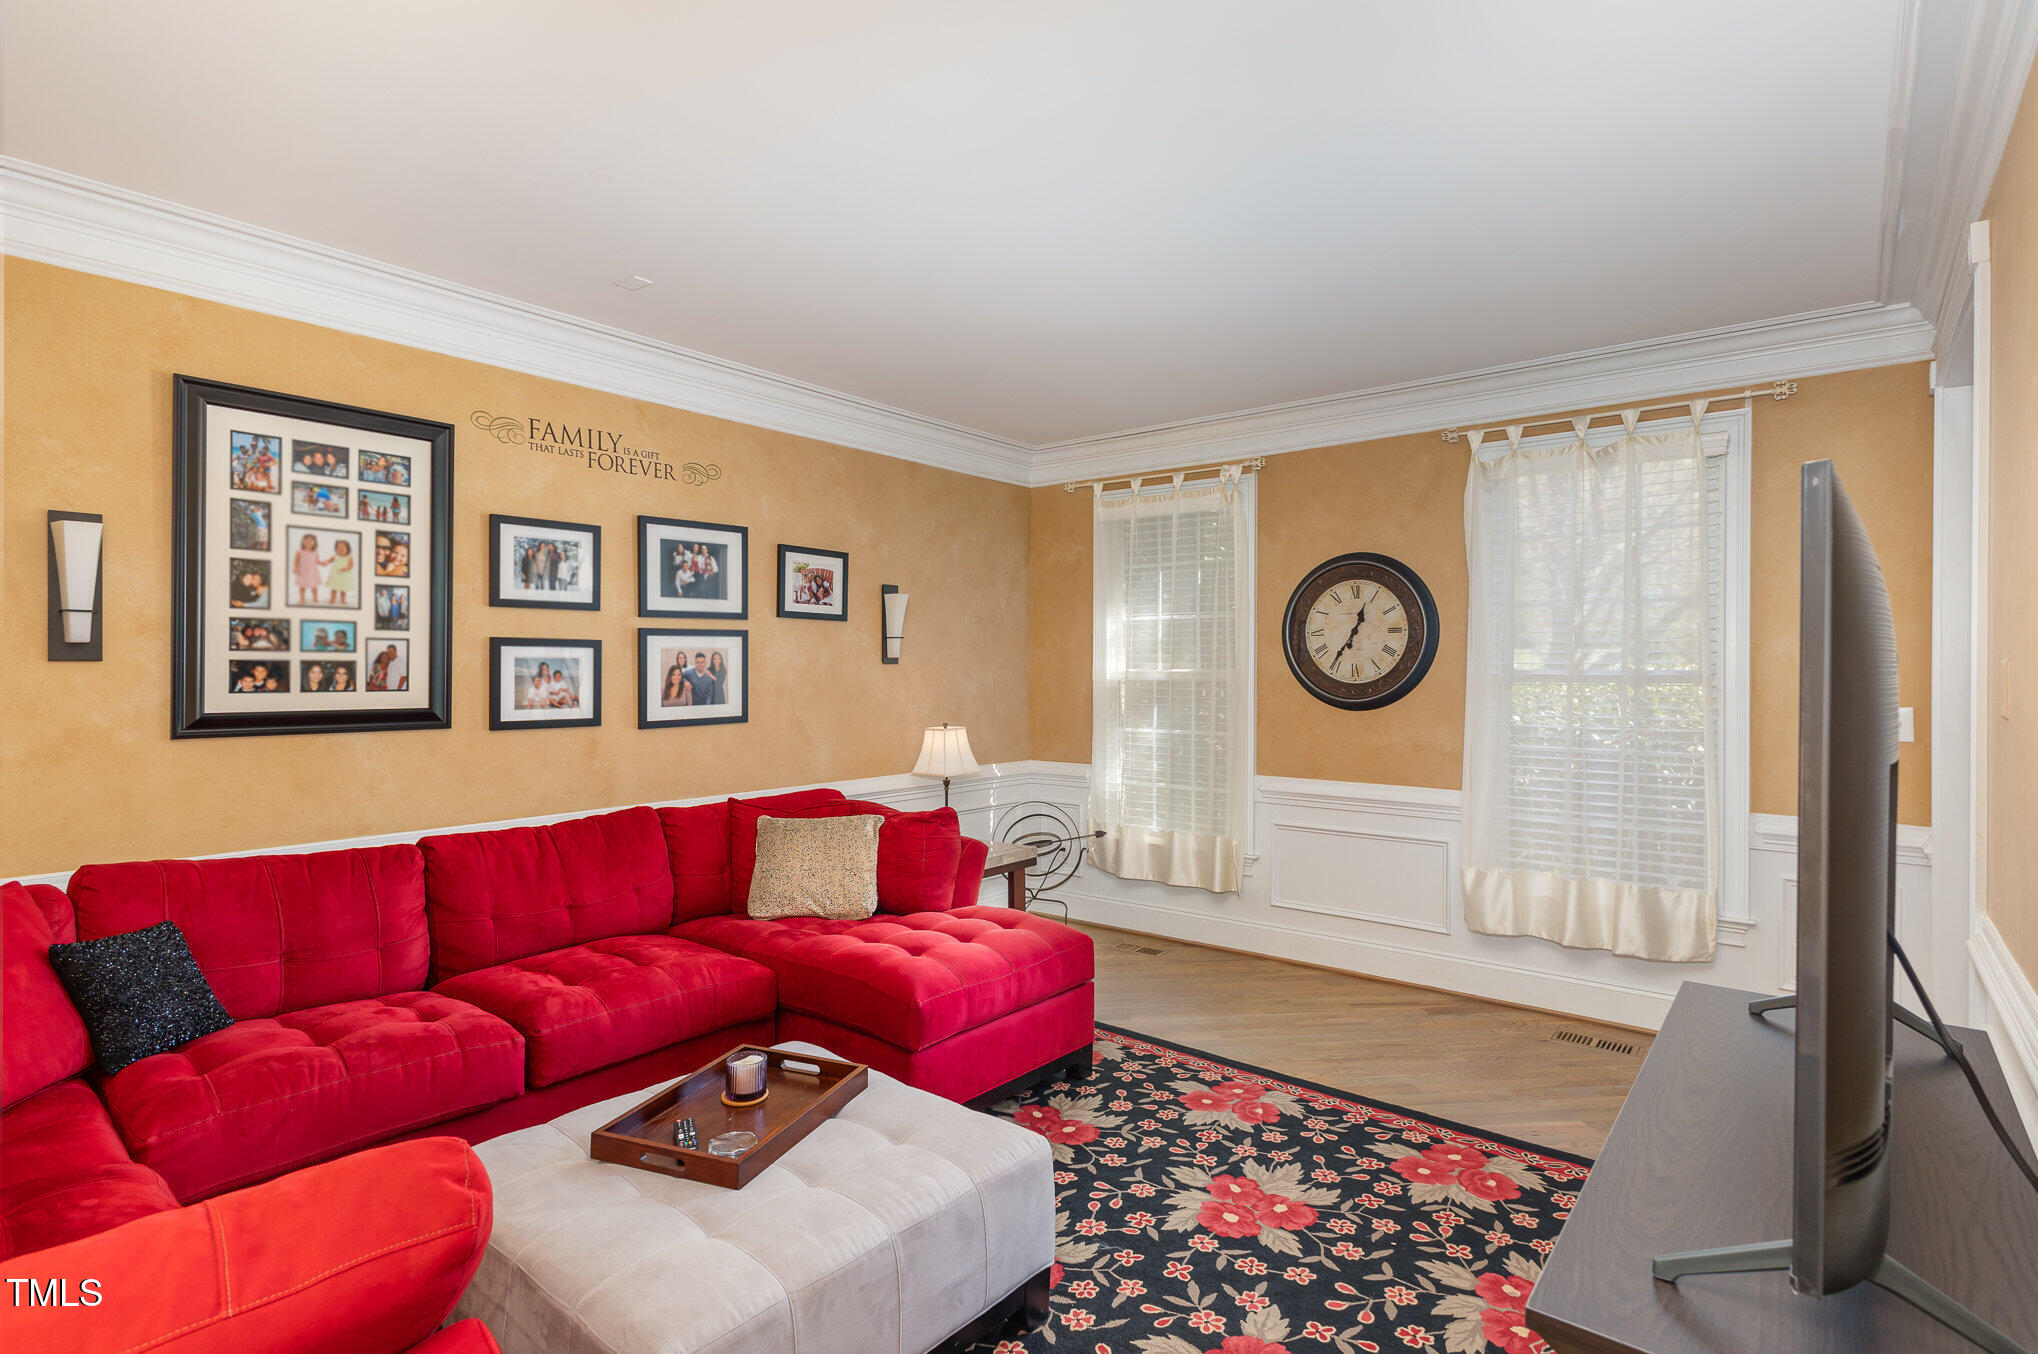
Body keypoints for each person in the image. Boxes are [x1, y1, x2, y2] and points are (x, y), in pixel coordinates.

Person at [293, 534, 330, 606]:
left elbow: (317, 561)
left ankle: (315, 598)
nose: (308, 542)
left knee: (314, 586)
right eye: (306, 539)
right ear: (302, 541)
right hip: (303, 572)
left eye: (311, 540)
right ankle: (302, 599)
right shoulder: (300, 551)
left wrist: (322, 563)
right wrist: (295, 568)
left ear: (315, 543)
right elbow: (296, 560)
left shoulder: (315, 551)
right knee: (302, 586)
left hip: (313, 572)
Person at [326, 538, 356, 605]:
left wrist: (346, 568)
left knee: (343, 589)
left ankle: (343, 600)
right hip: (335, 575)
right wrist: (325, 562)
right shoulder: (335, 556)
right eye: (339, 547)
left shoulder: (349, 557)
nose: (341, 548)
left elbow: (351, 565)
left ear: (348, 549)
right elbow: (329, 560)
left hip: (344, 576)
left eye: (343, 547)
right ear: (336, 548)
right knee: (334, 589)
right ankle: (332, 599)